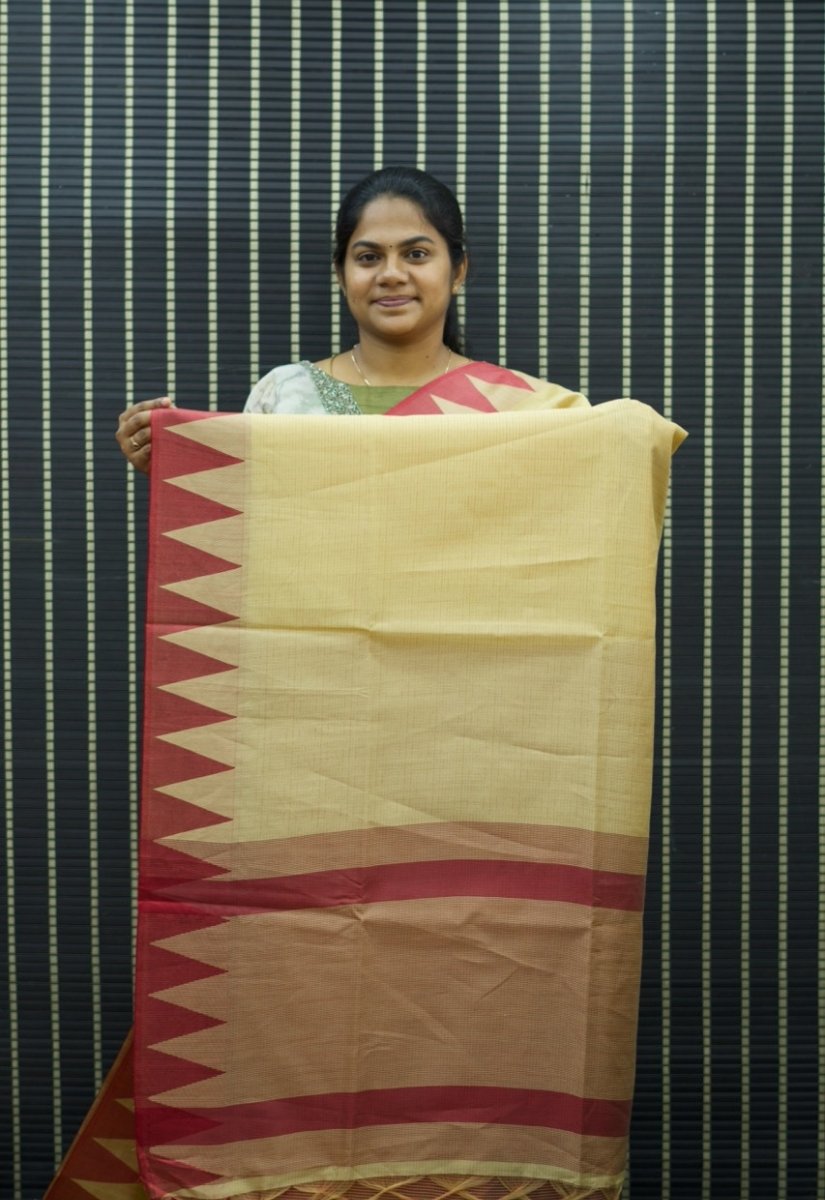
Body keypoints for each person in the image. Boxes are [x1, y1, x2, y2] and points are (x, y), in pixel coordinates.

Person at [116, 165, 583, 468]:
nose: (391, 274)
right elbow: (252, 523)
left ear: (457, 271)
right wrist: (175, 465)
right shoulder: (285, 395)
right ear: (342, 274)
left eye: (416, 254)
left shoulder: (522, 409)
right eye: (368, 257)